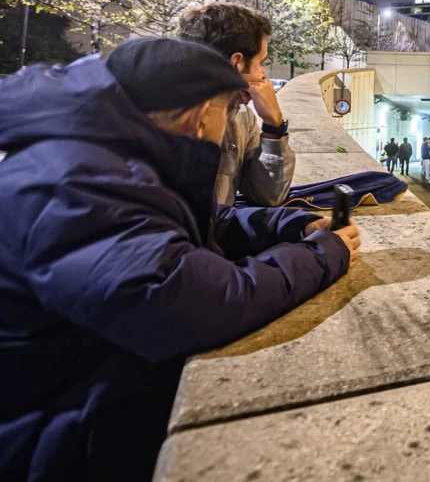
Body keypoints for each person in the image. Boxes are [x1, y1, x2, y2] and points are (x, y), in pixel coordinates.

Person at [0, 38, 357, 479]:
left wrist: (286, 226)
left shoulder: (97, 153)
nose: (227, 125)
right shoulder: (75, 182)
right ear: (199, 110)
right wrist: (324, 255)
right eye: (227, 111)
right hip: (52, 444)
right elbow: (188, 302)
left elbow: (200, 223)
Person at [178, 2, 296, 207]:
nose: (263, 74)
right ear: (236, 63)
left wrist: (273, 127)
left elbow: (268, 196)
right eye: (260, 62)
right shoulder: (165, 122)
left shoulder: (241, 118)